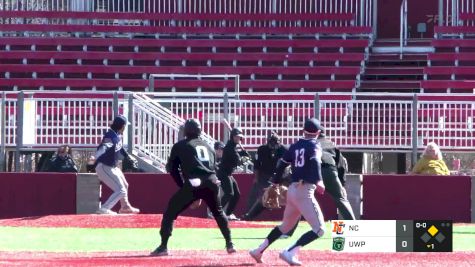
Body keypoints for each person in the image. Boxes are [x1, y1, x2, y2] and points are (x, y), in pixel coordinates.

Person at [150, 119, 235, 256]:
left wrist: (184, 187)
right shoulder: (208, 146)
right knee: (218, 212)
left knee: (170, 212)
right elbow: (212, 168)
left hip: (194, 182)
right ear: (199, 131)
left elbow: (173, 170)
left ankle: (163, 246)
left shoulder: (180, 145)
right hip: (212, 181)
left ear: (186, 131)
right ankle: (230, 243)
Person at [249, 118, 326, 266]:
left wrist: (275, 183)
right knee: (320, 229)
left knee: (285, 227)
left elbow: (281, 165)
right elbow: (315, 161)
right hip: (305, 191)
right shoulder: (314, 144)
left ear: (304, 131)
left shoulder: (295, 146)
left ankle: (258, 250)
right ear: (317, 132)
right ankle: (289, 252)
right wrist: (319, 180)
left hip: (292, 190)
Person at [95, 115, 140, 215]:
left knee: (125, 185)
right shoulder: (110, 136)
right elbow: (103, 148)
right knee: (121, 190)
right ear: (122, 126)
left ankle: (125, 207)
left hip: (113, 166)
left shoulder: (117, 134)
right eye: (124, 126)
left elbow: (120, 148)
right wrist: (95, 157)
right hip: (105, 166)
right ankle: (104, 208)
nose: (125, 128)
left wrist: (128, 156)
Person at [243, 131, 288, 221]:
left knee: (271, 196)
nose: (273, 146)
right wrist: (256, 178)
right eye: (271, 143)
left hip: (279, 176)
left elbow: (288, 166)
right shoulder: (261, 149)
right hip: (264, 175)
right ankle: (248, 214)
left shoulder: (284, 150)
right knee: (256, 194)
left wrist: (280, 178)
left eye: (275, 143)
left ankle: (250, 215)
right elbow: (256, 165)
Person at [217, 128, 250, 220]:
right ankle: (216, 212)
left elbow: (236, 154)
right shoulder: (229, 147)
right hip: (223, 173)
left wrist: (242, 153)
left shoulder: (232, 147)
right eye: (237, 137)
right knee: (229, 193)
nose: (238, 139)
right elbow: (238, 162)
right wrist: (245, 158)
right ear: (233, 137)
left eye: (239, 137)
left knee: (236, 195)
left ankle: (228, 214)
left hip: (228, 174)